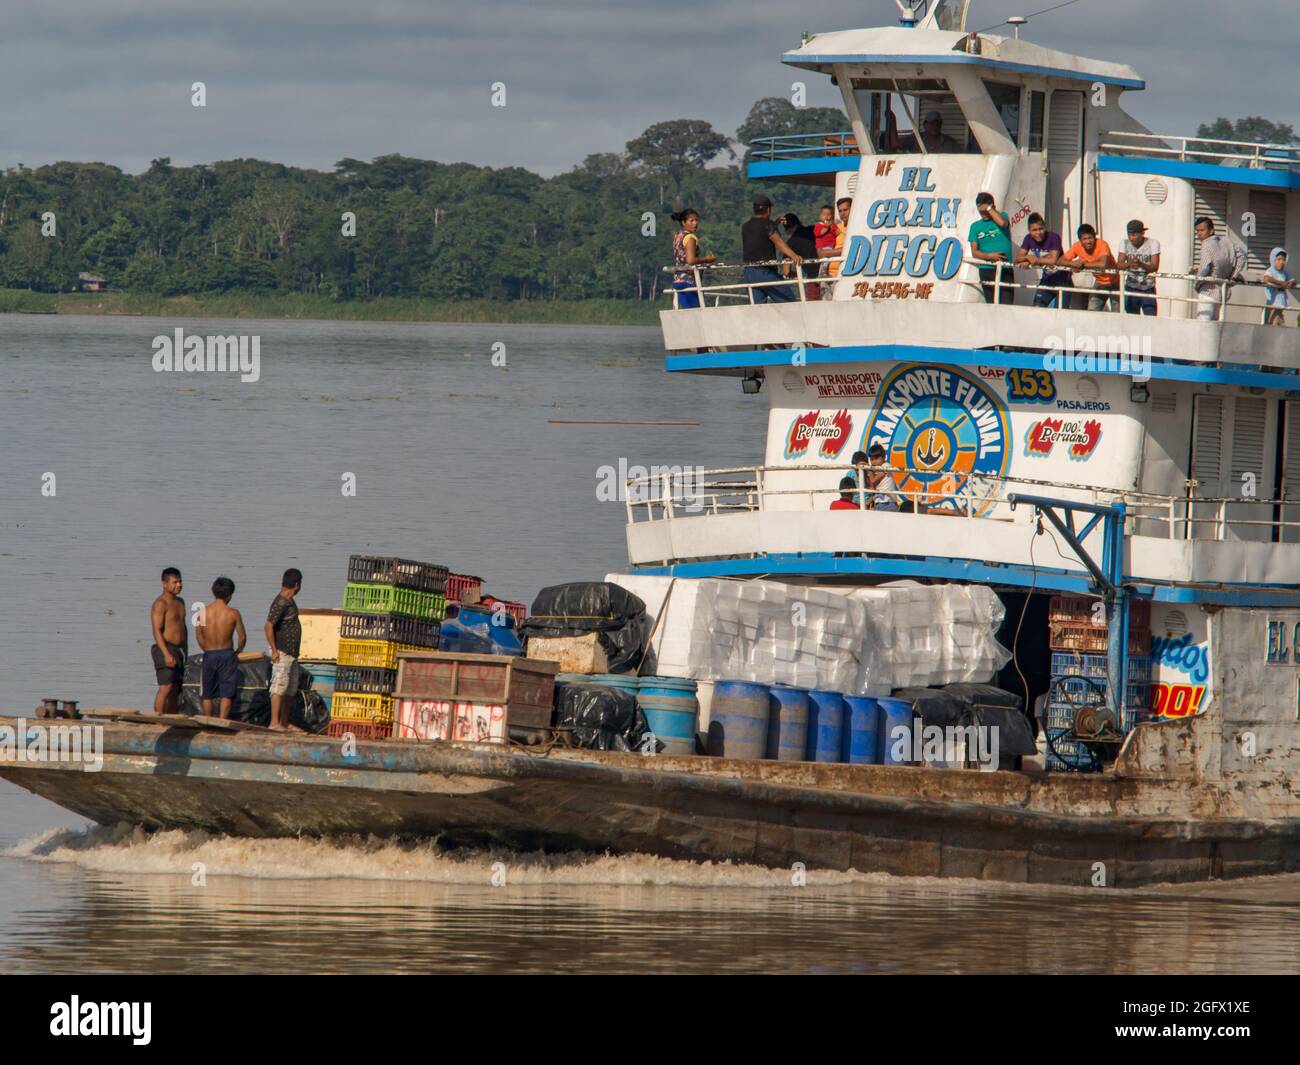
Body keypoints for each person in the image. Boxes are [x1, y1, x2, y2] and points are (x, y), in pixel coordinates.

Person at [196, 576, 247, 720]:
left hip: (209, 653)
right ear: (230, 595)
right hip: (227, 654)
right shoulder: (233, 613)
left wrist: (205, 648)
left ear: (213, 593)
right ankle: (222, 721)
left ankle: (207, 720)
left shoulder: (202, 612)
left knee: (207, 692)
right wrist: (238, 651)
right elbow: (242, 636)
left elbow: (199, 635)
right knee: (227, 691)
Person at [741, 194, 803, 304]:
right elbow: (779, 242)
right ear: (768, 210)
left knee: (758, 308)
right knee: (790, 303)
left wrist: (775, 223)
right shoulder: (768, 225)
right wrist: (794, 256)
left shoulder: (746, 226)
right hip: (765, 272)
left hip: (748, 272)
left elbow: (759, 232)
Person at [265, 568, 303, 731]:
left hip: (292, 653)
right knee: (279, 686)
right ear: (296, 584)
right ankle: (274, 723)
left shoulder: (289, 600)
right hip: (281, 651)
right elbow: (268, 626)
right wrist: (274, 650)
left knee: (290, 688)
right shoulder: (281, 601)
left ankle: (285, 722)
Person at [1194, 217, 1247, 321]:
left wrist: (1197, 284)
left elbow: (1204, 269)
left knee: (1203, 324)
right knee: (1215, 325)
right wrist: (1233, 276)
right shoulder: (1226, 242)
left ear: (1211, 230)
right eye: (1198, 231)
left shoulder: (1206, 244)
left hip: (1207, 292)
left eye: (1202, 230)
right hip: (1222, 293)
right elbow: (1242, 257)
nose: (1199, 233)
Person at [150, 567, 188, 714]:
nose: (179, 585)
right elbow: (156, 631)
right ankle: (157, 720)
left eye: (180, 581)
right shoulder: (160, 604)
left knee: (175, 689)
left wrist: (185, 651)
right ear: (165, 584)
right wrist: (166, 654)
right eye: (174, 582)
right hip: (164, 648)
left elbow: (183, 628)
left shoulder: (180, 602)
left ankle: (172, 720)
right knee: (166, 687)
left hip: (178, 650)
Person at [1014, 213, 1069, 308]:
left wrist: (1036, 260)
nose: (1038, 233)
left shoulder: (1053, 237)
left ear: (1045, 227)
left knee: (1060, 312)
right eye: (1034, 230)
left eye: (1040, 229)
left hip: (1063, 280)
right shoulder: (1028, 239)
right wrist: (1028, 257)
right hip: (1046, 279)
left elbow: (1053, 260)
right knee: (1037, 308)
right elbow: (1017, 258)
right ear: (1029, 231)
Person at [969, 193, 1014, 304]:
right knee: (991, 304)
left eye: (985, 210)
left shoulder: (1003, 216)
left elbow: (1003, 224)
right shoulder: (975, 226)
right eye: (981, 211)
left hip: (1005, 268)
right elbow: (974, 252)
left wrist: (989, 208)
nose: (983, 213)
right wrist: (989, 256)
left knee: (1006, 305)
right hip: (986, 269)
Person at [1061, 224, 1119, 311]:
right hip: (1100, 282)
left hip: (1115, 282)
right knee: (1092, 311)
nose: (1088, 241)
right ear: (1080, 240)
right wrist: (1073, 263)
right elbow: (1060, 261)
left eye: (1090, 238)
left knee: (1117, 314)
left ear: (1095, 237)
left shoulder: (1102, 244)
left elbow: (1103, 264)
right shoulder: (1077, 246)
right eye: (1085, 239)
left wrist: (1083, 264)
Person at [670, 208, 714, 309]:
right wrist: (707, 259)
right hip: (689, 281)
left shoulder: (678, 235)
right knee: (696, 312)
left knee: (688, 313)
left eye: (696, 220)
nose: (695, 223)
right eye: (691, 221)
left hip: (678, 280)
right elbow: (690, 260)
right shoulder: (690, 237)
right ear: (683, 222)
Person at [1117, 219, 1161, 316]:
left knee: (1151, 319)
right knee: (1131, 319)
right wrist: (1130, 263)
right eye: (1129, 235)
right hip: (1131, 286)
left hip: (1148, 287)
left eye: (1134, 235)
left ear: (1142, 233)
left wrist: (1141, 264)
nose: (1131, 238)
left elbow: (1155, 266)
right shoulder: (1124, 243)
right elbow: (1119, 265)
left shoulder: (1153, 243)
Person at [779, 213, 821, 300]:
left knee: (814, 306)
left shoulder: (790, 244)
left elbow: (786, 272)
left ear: (786, 230)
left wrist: (797, 274)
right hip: (829, 271)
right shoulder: (813, 229)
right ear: (799, 222)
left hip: (813, 279)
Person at [885, 108, 962, 153]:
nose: (935, 126)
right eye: (932, 123)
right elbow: (895, 144)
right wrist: (893, 119)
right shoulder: (916, 139)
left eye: (938, 123)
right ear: (925, 124)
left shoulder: (950, 143)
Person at [824, 196, 853, 292]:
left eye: (845, 210)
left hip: (849, 276)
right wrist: (844, 251)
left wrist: (831, 252)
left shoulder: (858, 228)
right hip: (830, 276)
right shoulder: (835, 228)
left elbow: (855, 250)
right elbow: (821, 252)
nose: (842, 213)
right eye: (840, 211)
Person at [1263, 247, 1295, 326]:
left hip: (1280, 303)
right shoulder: (1270, 270)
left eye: (1283, 260)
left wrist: (1291, 283)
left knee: (1279, 322)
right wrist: (1281, 283)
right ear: (1273, 259)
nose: (1281, 262)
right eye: (1279, 259)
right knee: (1269, 322)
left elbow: (1293, 280)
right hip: (1272, 302)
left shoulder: (1284, 273)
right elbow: (1266, 278)